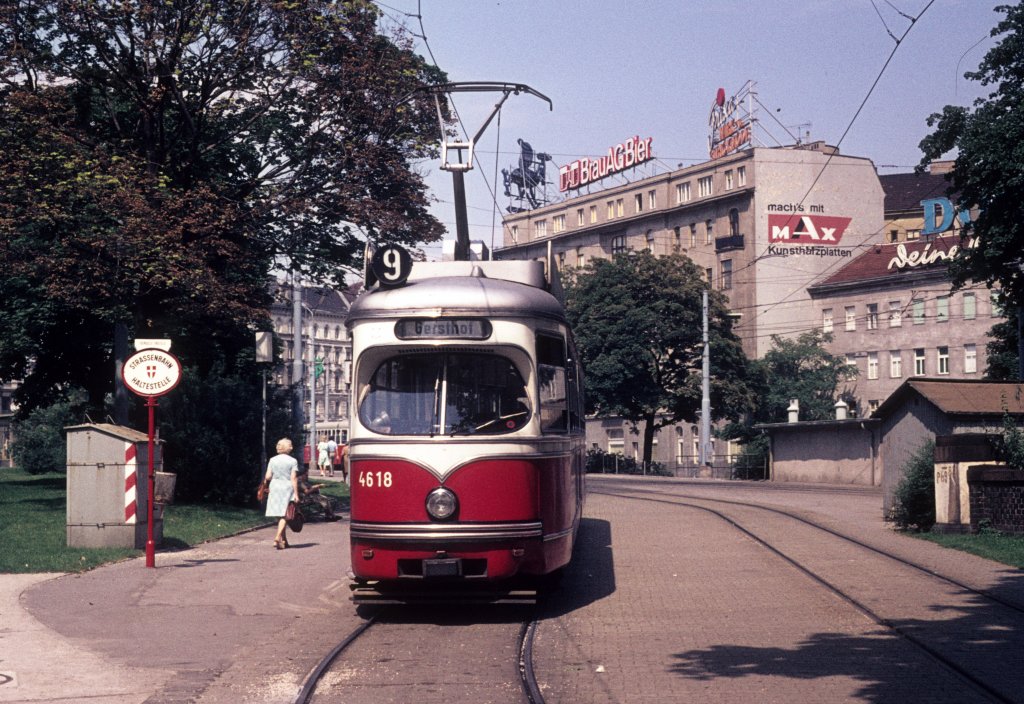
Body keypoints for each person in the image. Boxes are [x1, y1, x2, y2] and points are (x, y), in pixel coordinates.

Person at [264, 438, 300, 549]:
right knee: (286, 514)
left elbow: (268, 477)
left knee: (279, 515)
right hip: (287, 487)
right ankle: (277, 537)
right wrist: (297, 494)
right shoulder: (293, 461)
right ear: (288, 447)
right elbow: (293, 478)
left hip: (275, 486)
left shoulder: (272, 459)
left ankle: (284, 541)